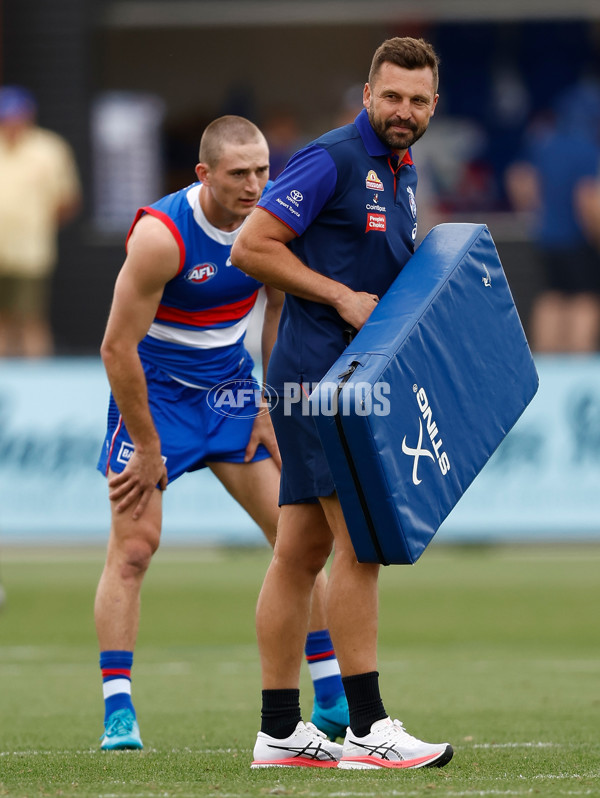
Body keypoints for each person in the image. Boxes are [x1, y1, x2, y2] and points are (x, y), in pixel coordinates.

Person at [231, 37, 454, 769]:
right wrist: (336, 296)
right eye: (392, 96)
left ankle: (278, 731)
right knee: (360, 548)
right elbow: (251, 246)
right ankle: (368, 728)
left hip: (342, 384)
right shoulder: (331, 157)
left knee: (299, 554)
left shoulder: (404, 167)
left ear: (433, 107)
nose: (404, 111)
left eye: (418, 101)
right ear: (367, 94)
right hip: (322, 384)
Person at [94, 116, 348, 751]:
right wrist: (148, 445)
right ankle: (118, 713)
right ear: (203, 174)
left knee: (299, 542)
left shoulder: (273, 223)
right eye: (240, 173)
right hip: (155, 399)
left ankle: (334, 694)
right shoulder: (161, 237)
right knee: (133, 549)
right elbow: (116, 349)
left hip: (231, 393)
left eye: (263, 169)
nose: (257, 184)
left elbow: (279, 310)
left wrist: (264, 402)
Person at [505, 79, 600, 353]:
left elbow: (519, 179)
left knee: (551, 297)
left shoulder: (545, 143)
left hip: (546, 238)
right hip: (577, 239)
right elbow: (587, 200)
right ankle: (575, 371)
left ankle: (547, 366)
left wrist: (539, 213)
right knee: (585, 299)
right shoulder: (587, 149)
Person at [0, 86, 81, 357]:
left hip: (30, 250)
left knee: (30, 318)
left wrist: (37, 227)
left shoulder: (49, 149)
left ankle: (35, 388)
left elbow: (67, 200)